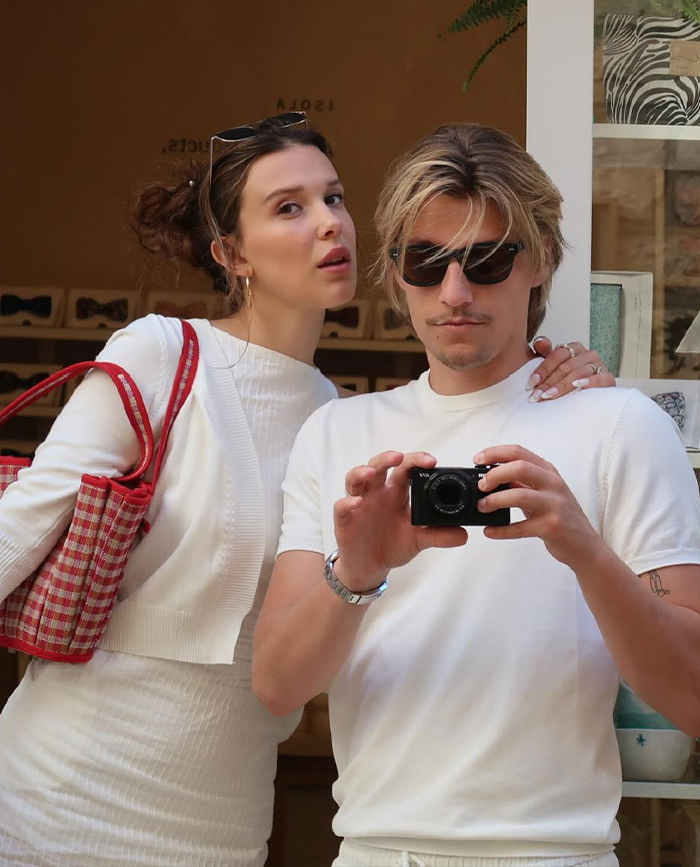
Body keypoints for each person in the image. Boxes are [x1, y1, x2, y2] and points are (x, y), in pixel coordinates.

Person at [0, 113, 608, 867]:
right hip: (63, 793)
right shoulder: (163, 354)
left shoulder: (341, 419)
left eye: (335, 198)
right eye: (289, 207)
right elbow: (17, 532)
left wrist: (564, 375)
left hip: (222, 821)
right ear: (232, 253)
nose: (328, 225)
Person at [253, 122, 700, 867]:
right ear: (396, 272)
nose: (455, 292)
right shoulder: (337, 433)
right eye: (426, 262)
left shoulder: (620, 426)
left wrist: (586, 554)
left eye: (488, 259)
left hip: (554, 853)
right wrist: (355, 574)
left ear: (542, 260)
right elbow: (275, 688)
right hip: (375, 849)